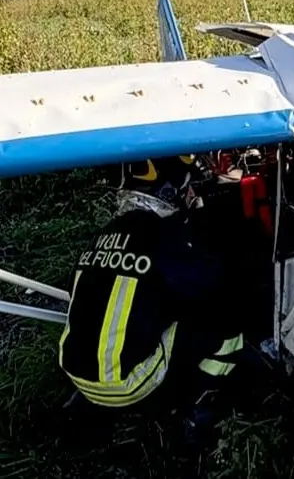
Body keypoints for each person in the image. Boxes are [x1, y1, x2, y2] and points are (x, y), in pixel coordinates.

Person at [57, 154, 246, 433]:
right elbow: (212, 287)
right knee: (230, 317)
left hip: (75, 372)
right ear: (170, 190)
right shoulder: (165, 239)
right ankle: (202, 403)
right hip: (128, 384)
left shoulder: (104, 234)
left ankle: (91, 399)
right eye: (188, 185)